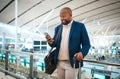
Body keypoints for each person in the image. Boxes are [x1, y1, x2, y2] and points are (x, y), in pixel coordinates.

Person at [45, 7, 90, 79]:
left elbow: (86, 44)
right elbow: (54, 44)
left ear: (71, 15)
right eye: (61, 17)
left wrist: (82, 53)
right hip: (59, 62)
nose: (62, 18)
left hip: (72, 63)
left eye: (64, 16)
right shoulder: (58, 28)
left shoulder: (80, 26)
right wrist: (50, 41)